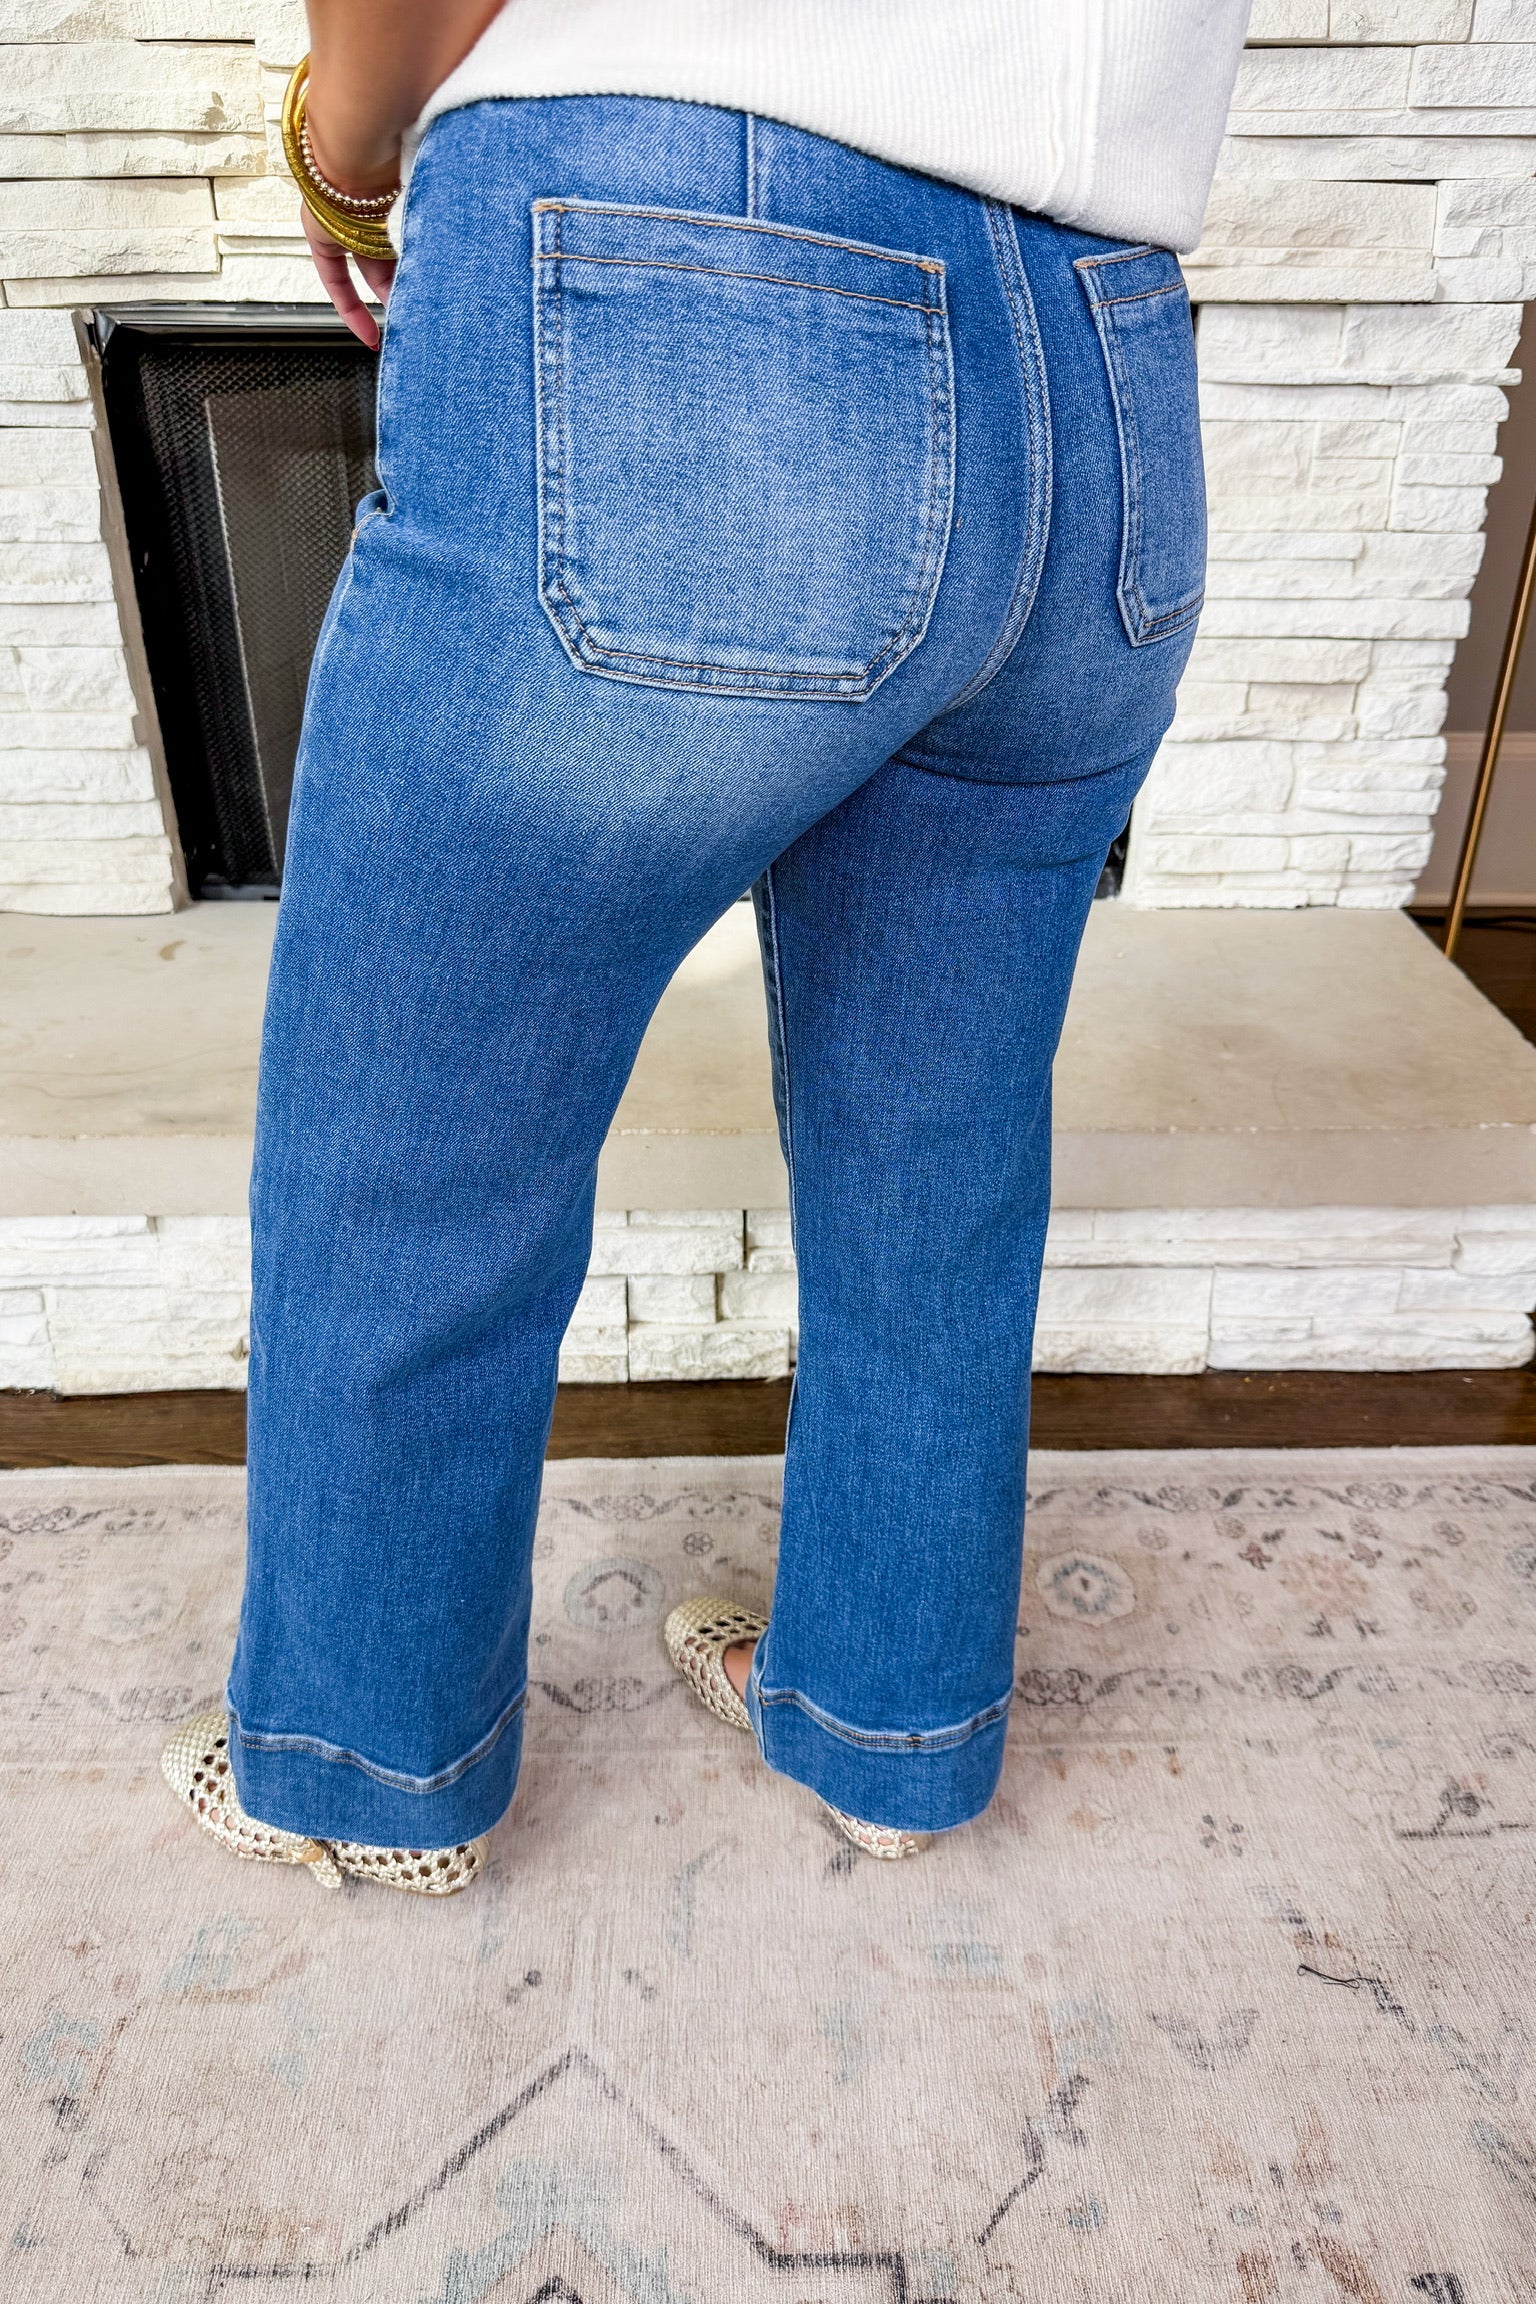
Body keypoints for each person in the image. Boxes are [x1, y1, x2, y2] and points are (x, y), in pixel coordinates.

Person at [162, 0, 1255, 1892]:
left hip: (687, 258)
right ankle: (890, 1731)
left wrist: (340, 160)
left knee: (414, 1149)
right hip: (1110, 368)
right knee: (938, 1161)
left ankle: (364, 1771)